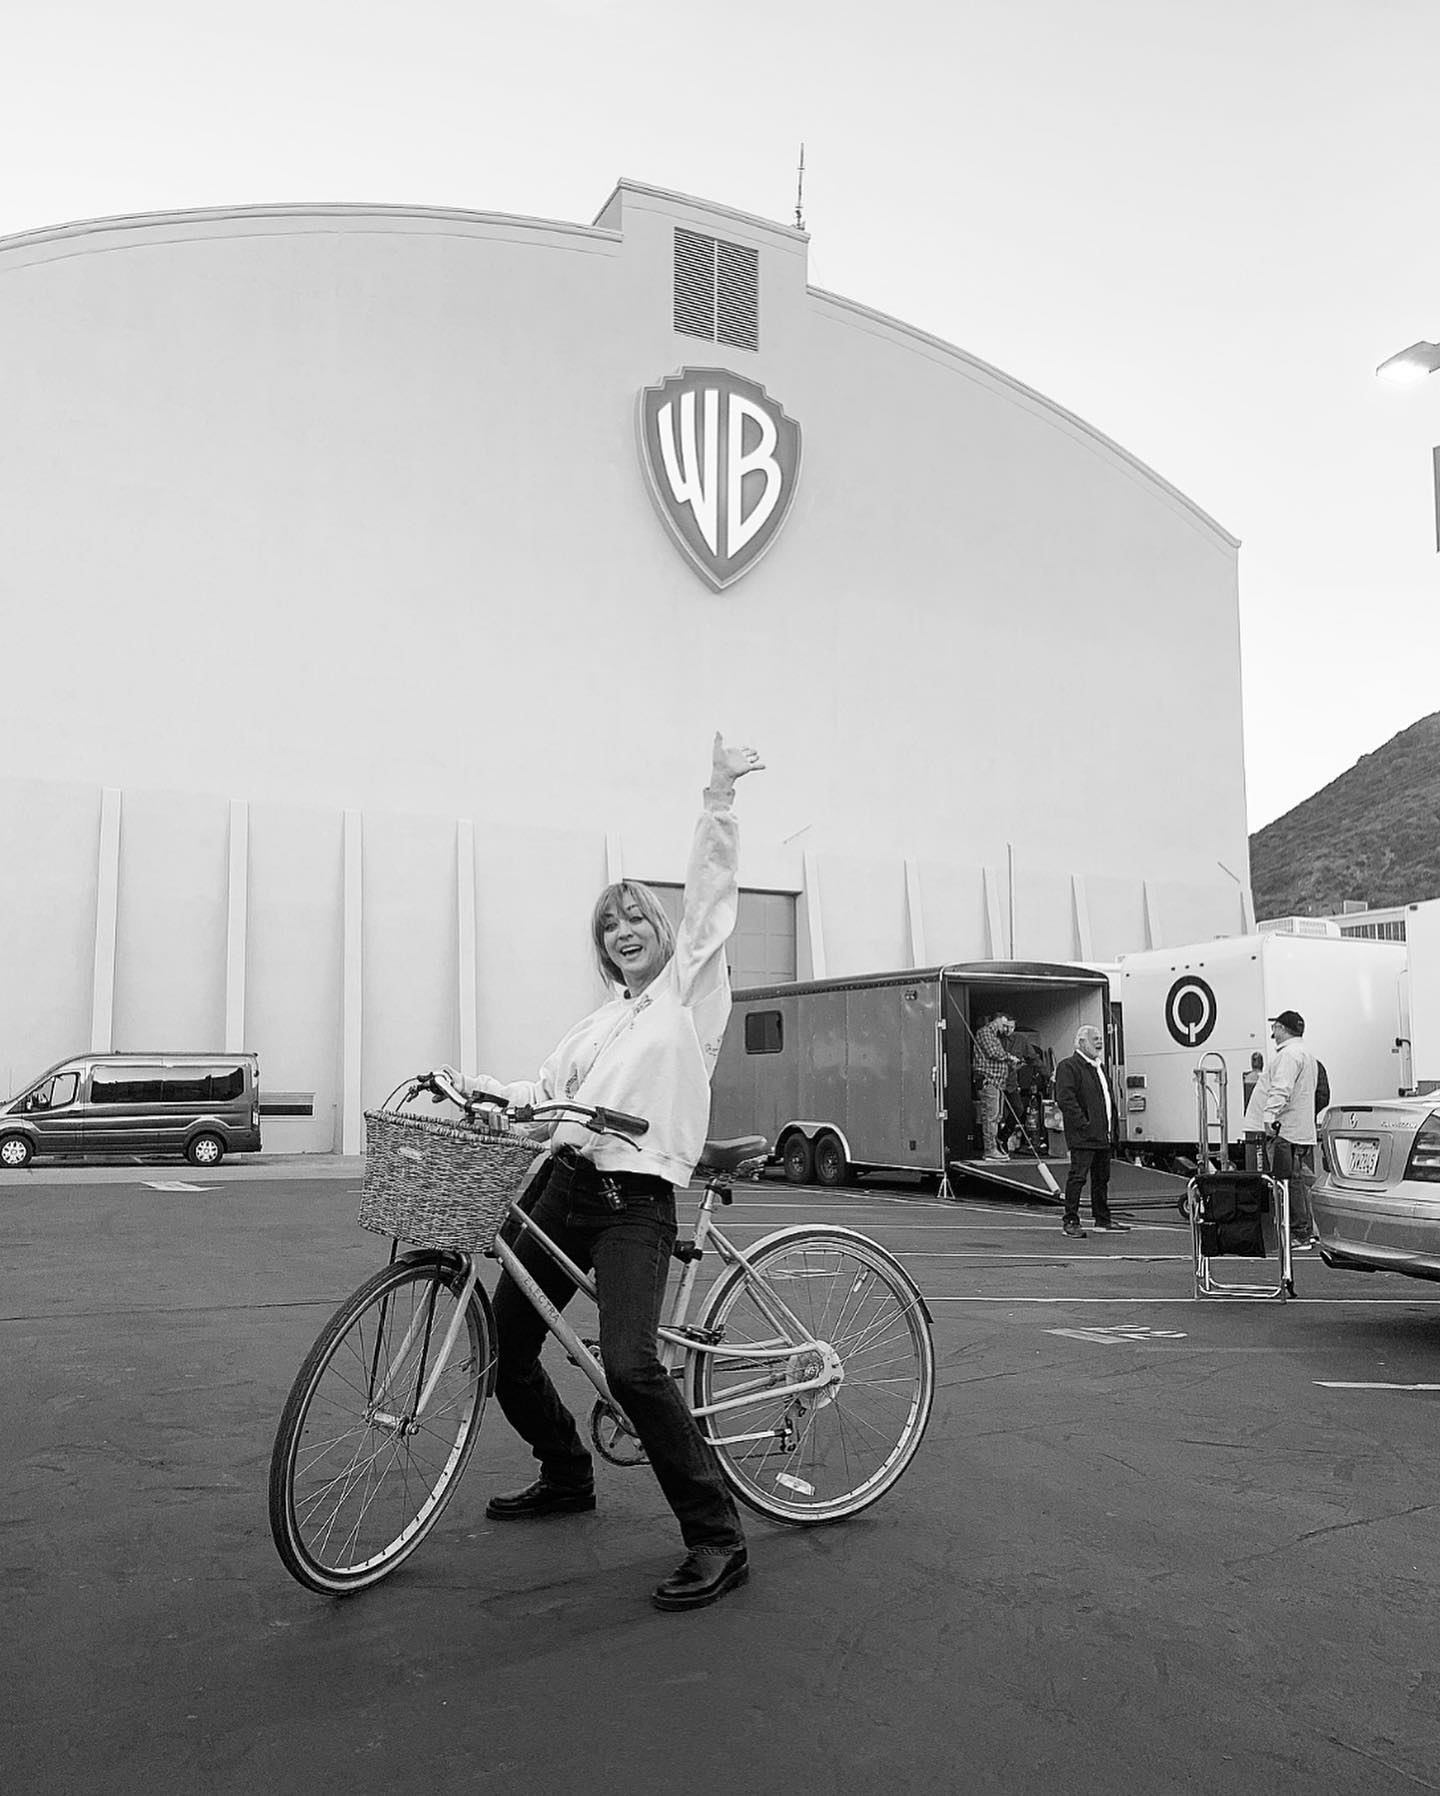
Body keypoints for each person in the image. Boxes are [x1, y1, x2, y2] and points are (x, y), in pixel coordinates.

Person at [441, 732, 762, 1612]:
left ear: (662, 930)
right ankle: (566, 1470)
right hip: (564, 1185)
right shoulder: (596, 1023)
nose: (623, 932)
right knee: (506, 1348)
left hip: (635, 1197)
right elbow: (546, 1097)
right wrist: (480, 1092)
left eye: (635, 919)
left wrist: (719, 798)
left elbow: (711, 898)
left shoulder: (688, 995)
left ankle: (718, 1539)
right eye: (609, 926)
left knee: (631, 1366)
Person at [1242, 1009, 1319, 1249]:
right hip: (1298, 1129)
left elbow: (1281, 1088)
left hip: (1283, 1130)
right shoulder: (1306, 1055)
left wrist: (1269, 1117)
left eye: (1275, 1027)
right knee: (1298, 1180)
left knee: (1288, 1182)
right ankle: (1309, 1229)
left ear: (1283, 1029)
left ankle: (1300, 1233)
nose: (1273, 1032)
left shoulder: (1288, 1056)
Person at [1054, 1024, 1129, 1237]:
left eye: (1100, 1039)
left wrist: (1112, 1128)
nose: (1100, 1042)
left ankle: (1102, 1219)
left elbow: (1107, 1099)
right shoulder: (1069, 1066)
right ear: (1081, 1042)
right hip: (1084, 1135)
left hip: (1102, 1134)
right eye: (1095, 1038)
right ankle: (1070, 1220)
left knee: (1101, 1178)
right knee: (1078, 1177)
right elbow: (1065, 1099)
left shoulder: (1099, 1067)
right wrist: (1083, 1123)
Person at [973, 1013, 1021, 1160]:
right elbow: (993, 1053)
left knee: (997, 1117)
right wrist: (1010, 1057)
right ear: (998, 1020)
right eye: (1004, 1025)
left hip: (997, 1083)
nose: (1005, 1029)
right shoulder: (985, 1032)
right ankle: (990, 1149)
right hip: (989, 1081)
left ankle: (994, 1147)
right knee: (991, 1116)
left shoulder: (994, 1036)